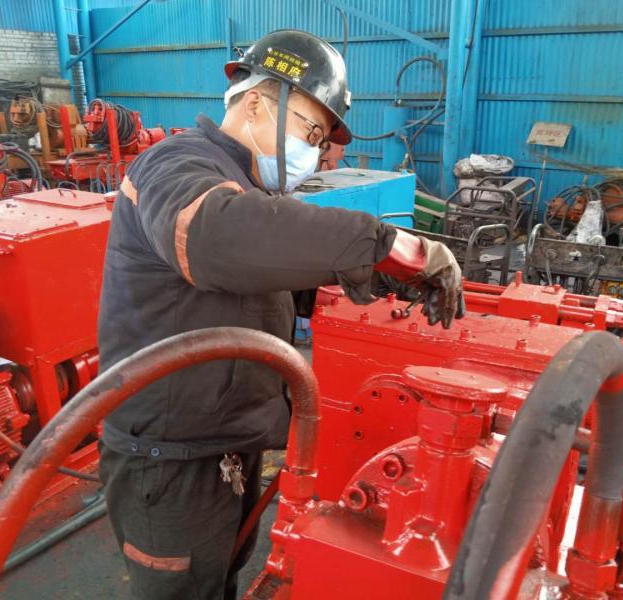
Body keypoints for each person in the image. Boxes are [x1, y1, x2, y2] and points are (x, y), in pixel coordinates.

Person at [97, 29, 463, 600]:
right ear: (255, 103)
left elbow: (262, 280)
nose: (315, 154)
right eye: (311, 132)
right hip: (168, 462)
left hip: (226, 446)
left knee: (220, 580)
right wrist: (390, 245)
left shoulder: (245, 186)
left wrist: (376, 280)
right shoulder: (173, 164)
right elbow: (214, 237)